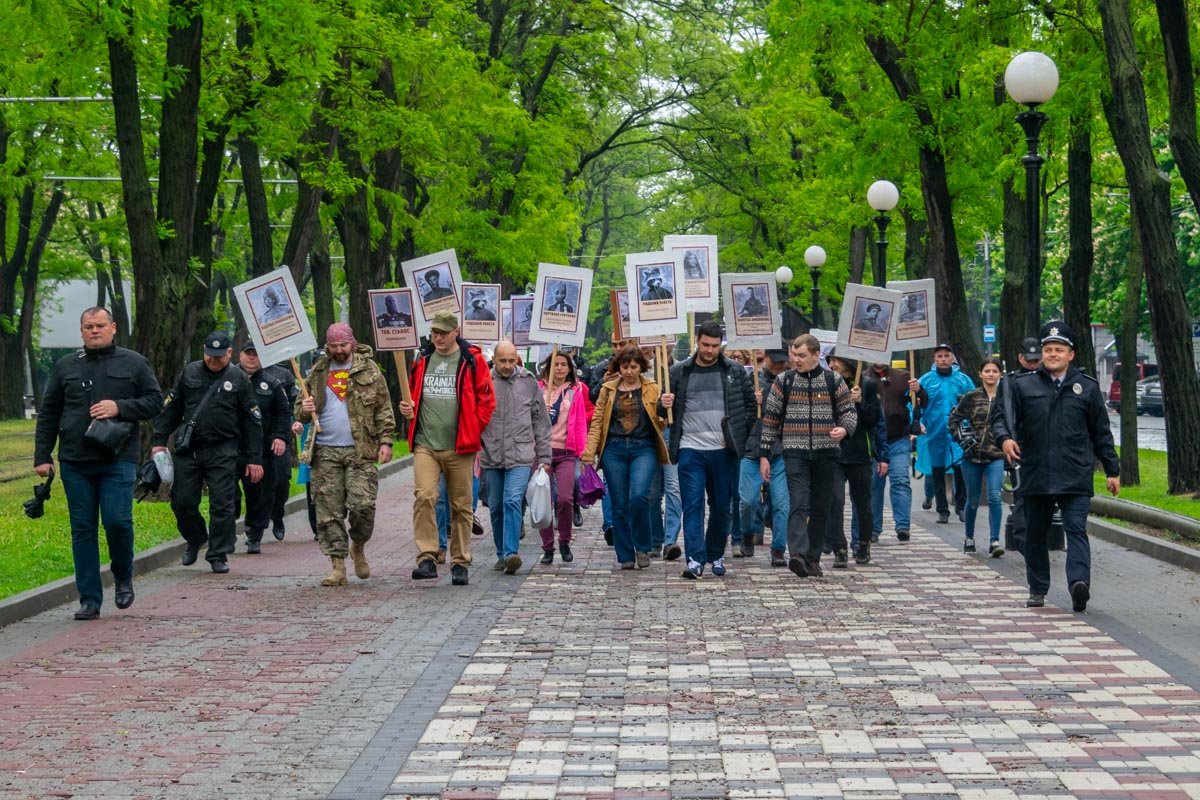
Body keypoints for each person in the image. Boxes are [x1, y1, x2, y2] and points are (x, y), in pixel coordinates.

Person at [34, 307, 162, 620]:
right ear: (81, 331)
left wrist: (119, 406)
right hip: (75, 461)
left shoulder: (134, 363)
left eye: (100, 325)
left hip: (117, 458)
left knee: (118, 521)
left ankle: (122, 576)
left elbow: (154, 402)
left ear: (113, 327)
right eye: (89, 326)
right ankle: (89, 599)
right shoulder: (66, 367)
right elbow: (49, 413)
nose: (95, 330)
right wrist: (42, 455)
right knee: (83, 529)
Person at [990, 322, 1120, 611]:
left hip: (1074, 472)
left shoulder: (1086, 387)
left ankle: (1078, 584)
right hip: (1035, 472)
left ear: (1071, 354)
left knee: (1076, 529)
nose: (1052, 354)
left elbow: (1101, 432)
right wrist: (1006, 439)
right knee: (1034, 533)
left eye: (1058, 350)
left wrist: (1112, 470)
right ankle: (1037, 588)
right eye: (1048, 350)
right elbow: (1000, 417)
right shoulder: (1021, 385)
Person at [152, 331, 264, 574]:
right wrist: (159, 441)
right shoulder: (189, 372)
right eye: (209, 355)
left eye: (219, 356)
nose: (214, 360)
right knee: (182, 502)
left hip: (223, 449)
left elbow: (252, 421)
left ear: (230, 353)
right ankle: (195, 538)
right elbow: (172, 409)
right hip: (189, 449)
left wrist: (254, 458)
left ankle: (218, 553)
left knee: (223, 504)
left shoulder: (239, 378)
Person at [400, 311, 496, 586]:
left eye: (443, 332)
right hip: (426, 444)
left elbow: (487, 401)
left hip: (460, 446)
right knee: (425, 496)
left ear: (457, 331)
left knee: (461, 505)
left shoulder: (472, 360)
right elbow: (411, 396)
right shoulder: (422, 359)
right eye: (434, 332)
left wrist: (472, 429)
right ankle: (428, 556)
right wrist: (407, 408)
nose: (438, 337)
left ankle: (460, 561)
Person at [294, 323, 395, 585]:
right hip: (325, 451)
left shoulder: (368, 370)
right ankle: (337, 567)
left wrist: (386, 441)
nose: (338, 351)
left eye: (343, 345)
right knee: (328, 512)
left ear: (352, 342)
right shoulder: (317, 372)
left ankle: (358, 544)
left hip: (361, 450)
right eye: (333, 346)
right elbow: (300, 411)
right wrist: (305, 409)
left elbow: (383, 408)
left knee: (363, 506)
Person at [660, 320, 756, 580]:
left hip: (723, 449)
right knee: (692, 504)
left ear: (720, 345)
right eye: (705, 345)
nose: (709, 350)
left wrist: (738, 437)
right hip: (690, 447)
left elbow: (750, 409)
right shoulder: (679, 372)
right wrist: (663, 402)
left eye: (714, 346)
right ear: (697, 342)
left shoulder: (734, 372)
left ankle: (715, 554)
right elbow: (664, 411)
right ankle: (694, 558)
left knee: (721, 506)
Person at [759, 334, 857, 578]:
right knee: (799, 501)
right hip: (795, 451)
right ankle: (798, 554)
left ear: (816, 355)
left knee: (822, 504)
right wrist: (764, 454)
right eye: (795, 355)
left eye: (802, 355)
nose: (797, 360)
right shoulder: (784, 381)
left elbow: (848, 412)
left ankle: (812, 558)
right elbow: (770, 420)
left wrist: (844, 429)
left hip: (826, 452)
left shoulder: (834, 381)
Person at [581, 345, 668, 569]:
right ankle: (625, 554)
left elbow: (663, 421)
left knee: (639, 496)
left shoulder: (652, 388)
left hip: (643, 447)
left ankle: (642, 546)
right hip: (614, 448)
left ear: (641, 367)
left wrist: (665, 409)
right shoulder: (608, 390)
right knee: (619, 503)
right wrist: (589, 453)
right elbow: (598, 422)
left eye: (633, 367)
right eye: (625, 367)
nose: (629, 371)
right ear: (618, 367)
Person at [481, 342, 551, 574]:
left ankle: (512, 553)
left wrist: (544, 456)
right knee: (496, 506)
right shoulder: (483, 382)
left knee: (512, 500)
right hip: (491, 453)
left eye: (512, 361)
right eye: (503, 361)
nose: (508, 365)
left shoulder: (528, 382)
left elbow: (540, 422)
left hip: (521, 454)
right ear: (495, 359)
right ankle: (501, 552)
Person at [826, 350, 888, 567]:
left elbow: (874, 420)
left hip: (861, 453)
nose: (832, 365)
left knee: (862, 503)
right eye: (830, 361)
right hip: (834, 452)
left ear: (848, 363)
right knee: (835, 501)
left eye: (836, 360)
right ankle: (839, 548)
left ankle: (863, 543)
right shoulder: (828, 384)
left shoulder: (869, 384)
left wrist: (860, 402)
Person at [736, 347, 790, 566]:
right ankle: (747, 532)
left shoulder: (789, 381)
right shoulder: (750, 380)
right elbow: (739, 413)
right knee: (747, 501)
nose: (778, 365)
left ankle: (778, 549)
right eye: (774, 361)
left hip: (780, 450)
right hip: (752, 449)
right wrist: (752, 402)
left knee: (781, 503)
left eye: (782, 362)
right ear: (765, 358)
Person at [236, 343, 292, 554]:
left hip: (262, 448)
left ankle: (254, 533)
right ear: (240, 354)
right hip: (231, 447)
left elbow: (283, 413)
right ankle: (224, 529)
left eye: (256, 354)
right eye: (248, 353)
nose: (252, 358)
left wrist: (280, 437)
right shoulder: (228, 379)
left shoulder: (272, 383)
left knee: (259, 493)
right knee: (226, 493)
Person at [537, 350, 592, 564]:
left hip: (566, 452)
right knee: (544, 501)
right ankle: (548, 546)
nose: (559, 368)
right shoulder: (539, 389)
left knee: (565, 498)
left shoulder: (576, 391)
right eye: (555, 364)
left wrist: (584, 452)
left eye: (563, 364)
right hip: (542, 451)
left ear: (570, 368)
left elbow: (579, 423)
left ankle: (565, 540)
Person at [862, 361, 926, 542]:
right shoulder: (863, 377)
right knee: (874, 485)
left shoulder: (903, 377)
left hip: (898, 438)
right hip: (873, 441)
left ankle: (903, 526)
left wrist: (918, 390)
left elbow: (923, 401)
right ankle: (873, 529)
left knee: (900, 480)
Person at [949, 358, 1007, 557]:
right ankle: (969, 537)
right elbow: (954, 419)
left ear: (1000, 374)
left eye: (994, 371)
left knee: (994, 496)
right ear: (980, 374)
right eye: (987, 371)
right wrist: (961, 439)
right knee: (973, 500)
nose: (991, 374)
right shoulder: (971, 397)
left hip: (996, 455)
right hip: (972, 456)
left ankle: (994, 541)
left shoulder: (1006, 397)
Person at [916, 343, 976, 524]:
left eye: (946, 356)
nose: (943, 359)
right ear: (934, 359)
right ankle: (942, 509)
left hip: (958, 432)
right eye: (939, 356)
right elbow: (914, 404)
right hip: (935, 431)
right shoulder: (924, 381)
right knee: (937, 470)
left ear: (952, 358)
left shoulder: (963, 380)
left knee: (960, 468)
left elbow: (974, 402)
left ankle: (960, 505)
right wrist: (917, 423)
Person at [996, 337, 1042, 553]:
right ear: (1020, 358)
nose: (1033, 365)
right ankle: (1024, 541)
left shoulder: (1047, 379)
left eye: (1036, 361)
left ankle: (1037, 537)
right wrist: (1005, 439)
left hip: (1043, 447)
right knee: (1022, 495)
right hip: (1019, 446)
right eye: (1030, 361)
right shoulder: (1010, 382)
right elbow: (1000, 416)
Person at [265, 361, 299, 539]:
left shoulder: (283, 374)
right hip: (251, 437)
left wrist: (296, 419)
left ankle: (277, 515)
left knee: (281, 479)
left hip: (279, 434)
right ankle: (253, 524)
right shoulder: (238, 373)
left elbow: (294, 402)